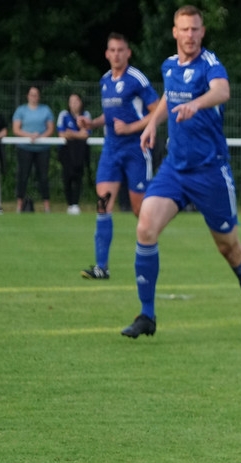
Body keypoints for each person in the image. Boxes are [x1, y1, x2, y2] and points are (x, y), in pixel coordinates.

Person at [121, 5, 241, 340]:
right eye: (184, 29)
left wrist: (196, 103)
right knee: (145, 227)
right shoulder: (169, 65)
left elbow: (222, 91)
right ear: (175, 32)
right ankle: (147, 315)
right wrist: (152, 124)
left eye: (195, 29)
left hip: (210, 171)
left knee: (229, 247)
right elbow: (168, 97)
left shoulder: (210, 64)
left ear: (202, 32)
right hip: (174, 169)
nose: (189, 35)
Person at [77, 32, 160, 280]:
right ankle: (101, 267)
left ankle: (148, 257)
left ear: (128, 53)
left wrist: (132, 128)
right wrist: (92, 123)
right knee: (103, 204)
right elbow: (110, 115)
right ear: (106, 54)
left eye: (120, 50)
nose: (116, 55)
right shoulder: (105, 81)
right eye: (112, 50)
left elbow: (157, 111)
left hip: (136, 149)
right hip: (111, 151)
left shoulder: (136, 79)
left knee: (139, 209)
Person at [12, 86, 55, 213]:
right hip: (24, 148)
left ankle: (47, 207)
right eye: (31, 94)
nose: (34, 97)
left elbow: (50, 129)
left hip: (42, 148)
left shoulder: (46, 110)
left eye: (36, 94)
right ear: (27, 96)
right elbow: (16, 129)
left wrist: (40, 137)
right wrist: (29, 136)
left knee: (43, 177)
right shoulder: (21, 110)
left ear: (39, 96)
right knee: (23, 176)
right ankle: (19, 205)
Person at [56, 94, 90, 215]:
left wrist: (71, 134)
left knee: (78, 176)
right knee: (67, 176)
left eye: (76, 101)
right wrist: (77, 134)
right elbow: (61, 134)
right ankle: (69, 204)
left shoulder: (86, 115)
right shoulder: (64, 115)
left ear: (80, 102)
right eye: (71, 101)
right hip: (66, 151)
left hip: (80, 151)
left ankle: (76, 203)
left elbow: (85, 134)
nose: (74, 104)